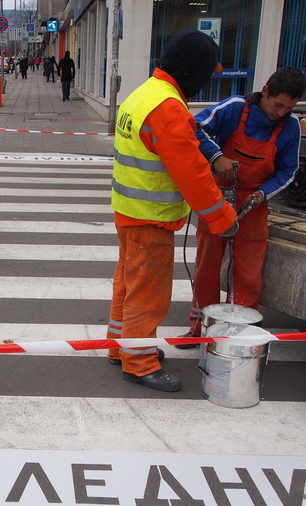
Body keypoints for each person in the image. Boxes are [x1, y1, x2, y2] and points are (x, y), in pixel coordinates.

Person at [105, 29, 238, 392]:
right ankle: (139, 362)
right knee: (148, 293)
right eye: (208, 73)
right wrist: (223, 217)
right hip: (150, 217)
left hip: (129, 211)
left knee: (129, 284)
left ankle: (121, 346)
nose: (207, 81)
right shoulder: (168, 108)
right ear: (194, 70)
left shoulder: (144, 93)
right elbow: (193, 174)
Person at [175, 66, 306, 348]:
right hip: (218, 199)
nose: (280, 113)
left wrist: (263, 193)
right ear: (266, 91)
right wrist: (216, 157)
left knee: (248, 274)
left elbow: (288, 171)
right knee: (207, 266)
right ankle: (200, 327)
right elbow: (191, 128)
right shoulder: (234, 108)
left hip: (254, 205)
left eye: (289, 108)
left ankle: (239, 335)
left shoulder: (290, 127)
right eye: (278, 105)